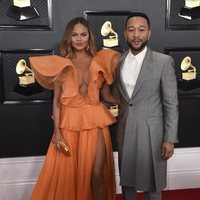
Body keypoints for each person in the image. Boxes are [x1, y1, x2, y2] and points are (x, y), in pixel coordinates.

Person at [29, 17, 120, 200]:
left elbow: (108, 96)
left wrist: (133, 101)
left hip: (95, 123)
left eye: (83, 35)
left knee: (97, 175)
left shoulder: (100, 60)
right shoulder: (61, 64)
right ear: (69, 38)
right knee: (70, 177)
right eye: (74, 35)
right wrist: (57, 133)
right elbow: (56, 102)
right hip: (69, 125)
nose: (79, 39)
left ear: (89, 37)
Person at [115, 12, 179, 200]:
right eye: (131, 30)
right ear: (125, 33)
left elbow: (171, 102)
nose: (136, 34)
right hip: (125, 129)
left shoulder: (163, 62)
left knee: (153, 185)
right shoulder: (116, 61)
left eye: (141, 30)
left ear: (149, 33)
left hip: (154, 133)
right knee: (127, 182)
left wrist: (169, 138)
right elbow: (111, 95)